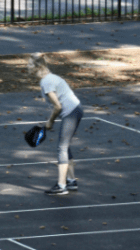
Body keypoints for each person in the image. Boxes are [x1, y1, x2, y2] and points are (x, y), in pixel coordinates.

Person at [28, 53, 83, 195]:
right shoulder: (51, 78)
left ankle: (61, 186)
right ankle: (71, 181)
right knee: (65, 146)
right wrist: (49, 121)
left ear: (38, 66)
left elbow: (57, 106)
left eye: (29, 64)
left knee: (62, 148)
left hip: (71, 112)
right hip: (75, 110)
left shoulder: (46, 81)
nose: (27, 67)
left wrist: (50, 121)